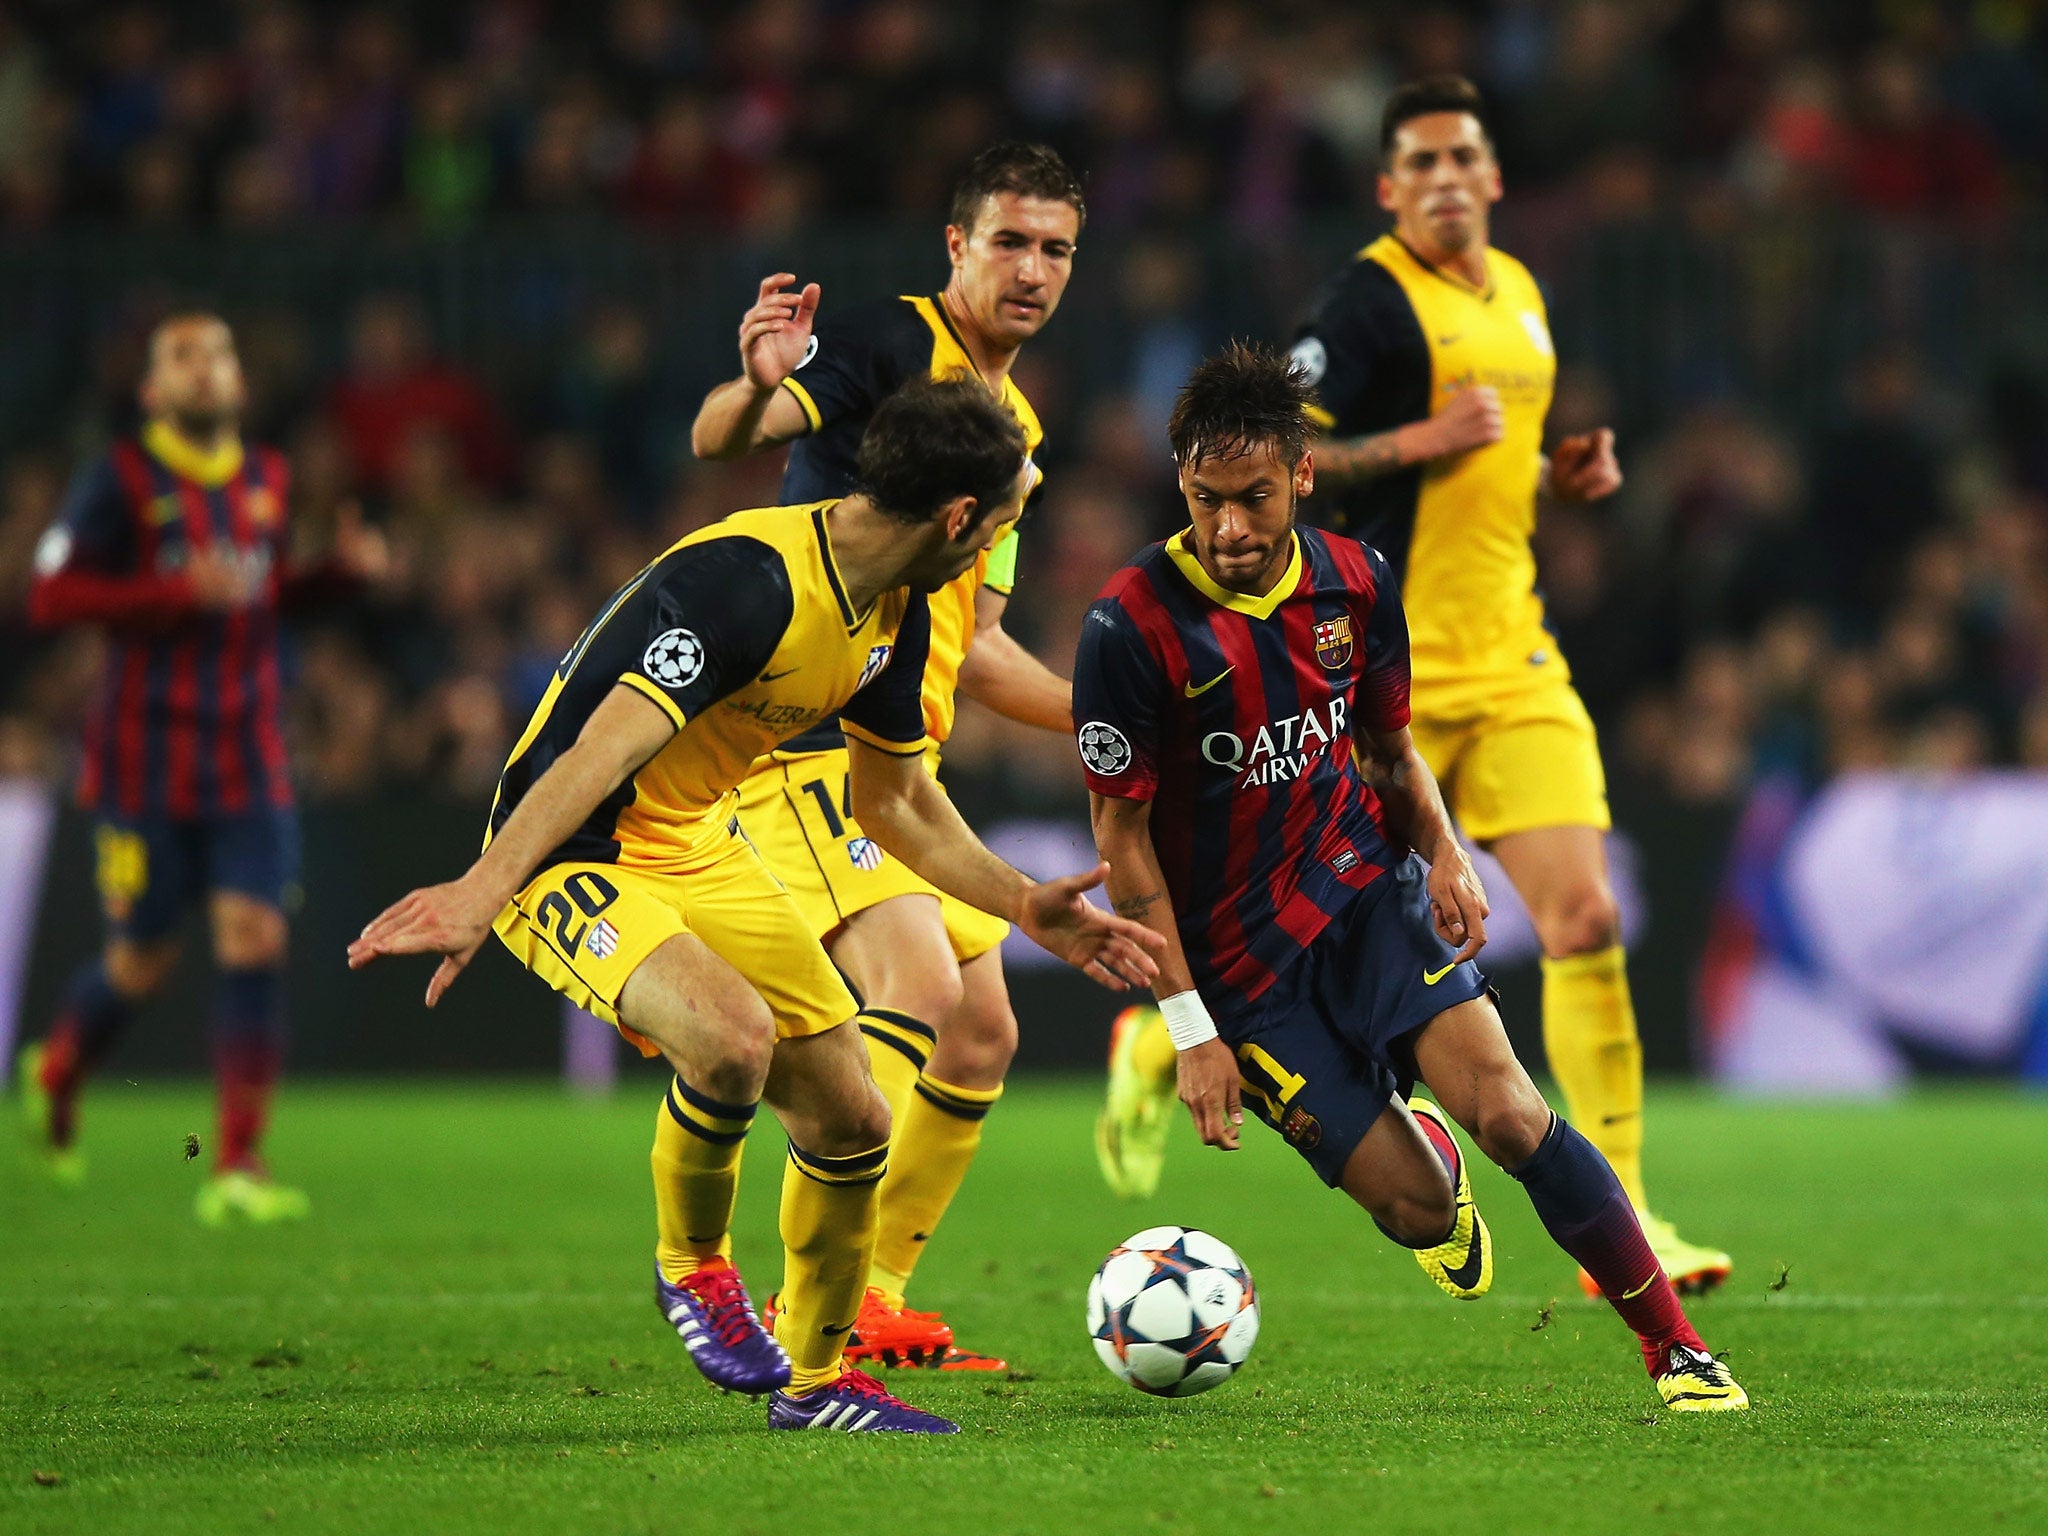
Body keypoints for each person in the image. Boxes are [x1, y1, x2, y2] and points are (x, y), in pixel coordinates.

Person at [349, 377, 1160, 1435]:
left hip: (701, 838)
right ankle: (693, 1269)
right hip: (573, 843)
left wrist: (1021, 905)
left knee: (854, 1115)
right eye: (998, 525)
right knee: (732, 1042)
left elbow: (897, 803)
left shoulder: (894, 612)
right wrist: (480, 889)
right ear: (958, 518)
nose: (992, 558)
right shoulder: (748, 581)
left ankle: (817, 1388)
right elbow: (603, 749)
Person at [1098, 75, 1730, 1299]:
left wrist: (1556, 468)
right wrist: (1419, 443)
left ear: (1494, 178)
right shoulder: (1367, 300)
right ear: (1388, 189)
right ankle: (1165, 1031)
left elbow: (1487, 462)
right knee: (1291, 927)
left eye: (1462, 158)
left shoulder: (1525, 301)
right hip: (1370, 664)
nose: (1444, 180)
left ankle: (1634, 1213)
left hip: (1513, 656)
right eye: (1419, 164)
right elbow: (1280, 447)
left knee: (1586, 919)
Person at [1075, 344, 1746, 1412]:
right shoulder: (1129, 624)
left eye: (1251, 498)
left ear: (1300, 475)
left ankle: (1675, 1348)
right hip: (1241, 972)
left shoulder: (1354, 580)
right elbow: (1121, 843)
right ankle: (1418, 1152)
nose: (1229, 529)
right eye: (1205, 501)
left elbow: (1388, 751)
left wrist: (1438, 850)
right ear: (1179, 482)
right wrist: (1192, 1029)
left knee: (1515, 1118)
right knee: (1419, 1215)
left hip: (1356, 889)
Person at [689, 143, 1081, 1368]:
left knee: (980, 1032)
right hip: (801, 728)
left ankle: (876, 1298)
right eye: (1008, 242)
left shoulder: (1012, 428)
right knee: (914, 988)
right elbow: (721, 435)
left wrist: (1126, 713)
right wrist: (755, 389)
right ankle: (811, 1307)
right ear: (954, 247)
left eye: (1055, 248)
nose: (1030, 269)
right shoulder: (882, 340)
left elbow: (980, 651)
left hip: (895, 741)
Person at [17, 312, 386, 1224]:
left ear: (238, 380)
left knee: (255, 938)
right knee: (141, 959)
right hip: (144, 762)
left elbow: (264, 597)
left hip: (249, 755)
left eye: (218, 353)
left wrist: (336, 575)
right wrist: (171, 591)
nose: (206, 369)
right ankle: (59, 1069)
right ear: (153, 391)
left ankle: (236, 1168)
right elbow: (52, 593)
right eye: (183, 357)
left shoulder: (267, 477)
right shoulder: (121, 478)